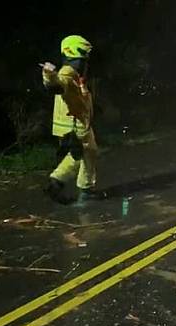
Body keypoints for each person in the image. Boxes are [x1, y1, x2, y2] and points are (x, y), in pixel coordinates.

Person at [41, 35, 101, 203]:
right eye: (81, 60)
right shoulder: (67, 73)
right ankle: (69, 184)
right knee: (83, 154)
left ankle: (66, 183)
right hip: (76, 126)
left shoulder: (75, 75)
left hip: (78, 124)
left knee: (85, 153)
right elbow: (57, 85)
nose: (84, 64)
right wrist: (49, 74)